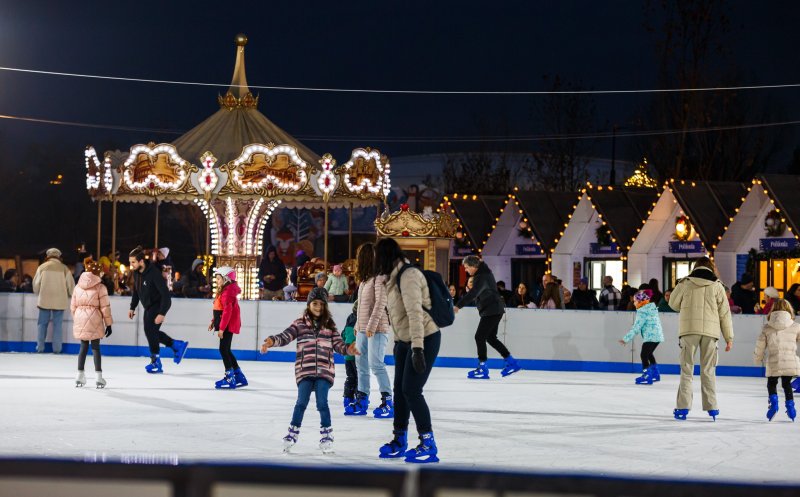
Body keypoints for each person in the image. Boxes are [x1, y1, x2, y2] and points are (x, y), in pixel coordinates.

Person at [260, 287, 358, 454]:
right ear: (308, 304)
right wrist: (271, 341)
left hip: (324, 372)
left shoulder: (330, 326)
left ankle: (327, 434)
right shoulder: (299, 324)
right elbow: (285, 336)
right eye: (315, 303)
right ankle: (292, 432)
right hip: (305, 370)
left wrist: (349, 349)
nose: (318, 307)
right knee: (301, 403)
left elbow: (338, 345)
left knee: (322, 403)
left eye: (321, 304)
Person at [375, 237, 442, 463]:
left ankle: (428, 443)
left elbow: (415, 315)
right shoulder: (392, 278)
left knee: (412, 390)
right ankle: (399, 439)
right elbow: (397, 315)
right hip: (404, 342)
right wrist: (399, 343)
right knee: (399, 390)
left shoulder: (408, 276)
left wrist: (417, 349)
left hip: (424, 339)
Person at [669, 257, 734, 421]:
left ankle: (683, 408)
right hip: (711, 333)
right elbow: (725, 314)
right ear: (711, 268)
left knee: (687, 370)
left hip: (689, 330)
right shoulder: (718, 286)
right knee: (708, 371)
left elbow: (673, 304)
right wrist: (729, 338)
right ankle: (712, 408)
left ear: (695, 267)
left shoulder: (685, 283)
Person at [455, 255, 520, 380]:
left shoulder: (482, 276)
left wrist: (458, 306)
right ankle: (511, 362)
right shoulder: (483, 273)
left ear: (474, 266)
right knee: (490, 338)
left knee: (479, 336)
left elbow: (473, 293)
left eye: (467, 268)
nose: (466, 270)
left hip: (492, 310)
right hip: (493, 309)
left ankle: (483, 366)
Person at [128, 245, 189, 373]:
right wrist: (132, 307)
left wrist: (162, 313)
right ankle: (176, 345)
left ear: (141, 261)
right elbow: (136, 291)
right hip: (148, 306)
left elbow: (166, 296)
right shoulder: (136, 273)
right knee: (151, 332)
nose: (131, 265)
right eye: (130, 262)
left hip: (158, 304)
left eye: (133, 262)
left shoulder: (154, 273)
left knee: (150, 331)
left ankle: (156, 361)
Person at [350, 242, 393, 418]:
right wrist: (357, 325)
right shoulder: (365, 280)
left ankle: (387, 400)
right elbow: (361, 305)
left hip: (377, 328)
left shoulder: (380, 278)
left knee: (376, 364)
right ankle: (362, 397)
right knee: (360, 363)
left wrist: (370, 326)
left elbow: (380, 304)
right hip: (362, 328)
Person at [753, 298, 798, 422]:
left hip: (774, 361)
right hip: (789, 361)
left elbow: (760, 345)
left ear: (773, 310)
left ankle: (773, 403)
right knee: (787, 384)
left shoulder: (767, 327)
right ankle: (791, 408)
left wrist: (758, 359)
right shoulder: (796, 326)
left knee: (772, 384)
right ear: (789, 310)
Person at [71, 258, 113, 389]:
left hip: (80, 317)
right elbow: (105, 307)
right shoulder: (101, 287)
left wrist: (78, 319)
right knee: (95, 348)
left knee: (83, 347)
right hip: (94, 318)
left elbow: (73, 306)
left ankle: (79, 375)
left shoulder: (78, 286)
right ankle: (99, 377)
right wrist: (109, 324)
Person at [208, 266, 247, 389]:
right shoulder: (225, 291)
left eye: (219, 278)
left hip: (227, 325)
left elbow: (227, 312)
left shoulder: (227, 292)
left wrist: (222, 329)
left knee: (223, 350)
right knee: (226, 349)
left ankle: (230, 378)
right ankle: (238, 375)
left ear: (226, 279)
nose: (217, 281)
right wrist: (214, 321)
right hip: (225, 324)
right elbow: (219, 309)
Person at [33, 248, 75, 353]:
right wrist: (70, 294)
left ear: (48, 256)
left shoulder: (42, 267)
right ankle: (57, 349)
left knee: (42, 324)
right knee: (58, 325)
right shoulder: (64, 268)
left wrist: (38, 292)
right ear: (59, 257)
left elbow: (35, 286)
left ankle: (40, 348)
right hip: (60, 300)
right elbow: (71, 287)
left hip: (44, 300)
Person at [618, 290, 664, 385]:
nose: (634, 303)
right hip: (658, 336)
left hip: (650, 337)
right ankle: (655, 373)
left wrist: (626, 339)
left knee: (644, 355)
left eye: (635, 301)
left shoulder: (642, 312)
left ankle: (647, 375)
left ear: (640, 301)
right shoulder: (652, 309)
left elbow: (636, 328)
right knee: (649, 353)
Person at [341, 303, 359, 413]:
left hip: (348, 355)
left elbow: (343, 334)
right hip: (357, 354)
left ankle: (347, 397)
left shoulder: (350, 318)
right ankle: (358, 398)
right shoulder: (361, 320)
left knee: (350, 376)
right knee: (358, 378)